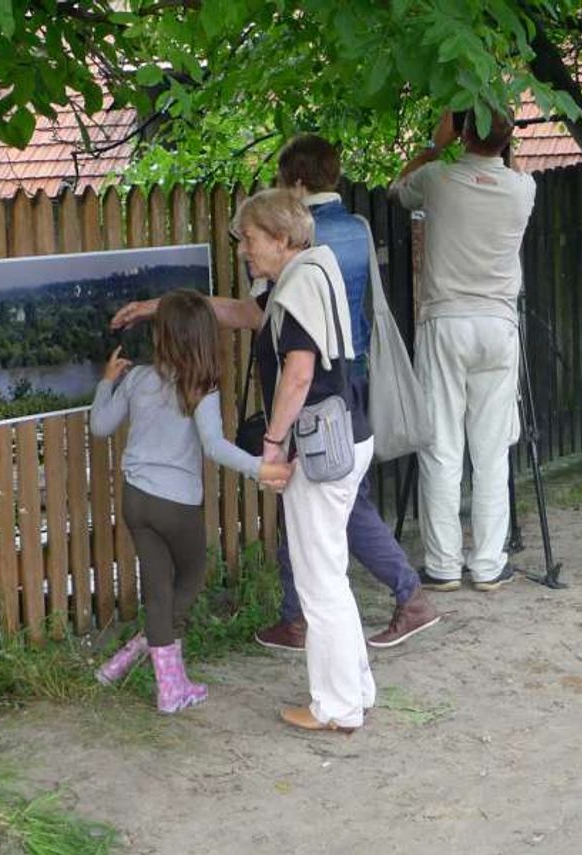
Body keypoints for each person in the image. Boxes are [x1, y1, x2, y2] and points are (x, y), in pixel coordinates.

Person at [115, 190, 376, 733]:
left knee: (318, 582)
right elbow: (237, 313)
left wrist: (273, 444)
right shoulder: (306, 272)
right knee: (330, 572)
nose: (242, 250)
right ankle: (356, 689)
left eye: (250, 239)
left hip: (317, 447)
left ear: (281, 238)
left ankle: (337, 706)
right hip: (345, 434)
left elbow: (299, 374)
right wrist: (159, 306)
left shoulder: (298, 284)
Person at [255, 133, 438, 651]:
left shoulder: (300, 241)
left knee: (337, 503)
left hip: (314, 384)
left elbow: (268, 319)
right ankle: (295, 617)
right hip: (355, 374)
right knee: (329, 497)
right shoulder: (356, 226)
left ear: (294, 182)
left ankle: (408, 596)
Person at [91, 289, 292, 713]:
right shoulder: (201, 387)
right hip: (176, 505)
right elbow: (215, 447)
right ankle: (156, 666)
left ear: (162, 335)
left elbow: (100, 426)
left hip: (135, 500)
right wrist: (260, 468)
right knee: (192, 574)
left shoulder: (139, 378)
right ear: (204, 337)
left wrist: (107, 382)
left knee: (159, 590)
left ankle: (162, 677)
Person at [390, 109, 536, 592]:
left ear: (463, 132)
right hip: (498, 323)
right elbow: (505, 168)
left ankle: (443, 564)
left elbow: (397, 190)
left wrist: (435, 144)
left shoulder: (437, 179)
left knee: (442, 447)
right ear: (508, 138)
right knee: (492, 451)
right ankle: (490, 565)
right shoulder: (524, 189)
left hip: (446, 321)